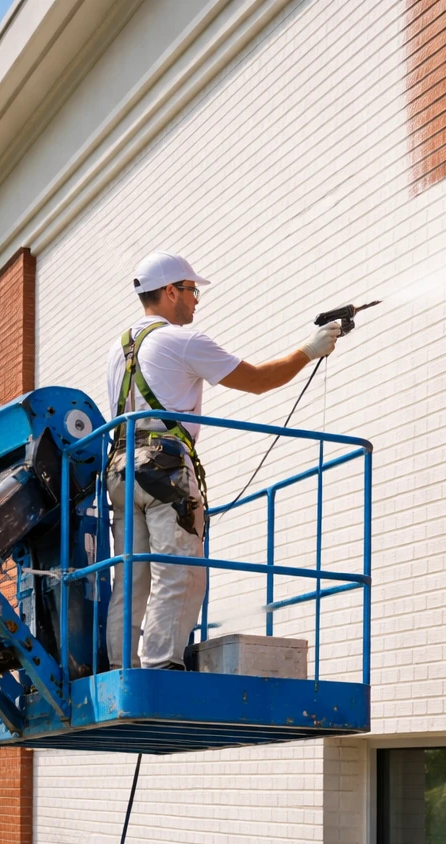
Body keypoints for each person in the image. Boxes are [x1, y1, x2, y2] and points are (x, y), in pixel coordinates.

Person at [105, 250, 342, 670]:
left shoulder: (118, 350)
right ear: (171, 290)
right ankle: (161, 668)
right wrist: (310, 349)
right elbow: (257, 380)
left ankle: (123, 668)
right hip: (164, 468)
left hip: (121, 470)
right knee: (180, 571)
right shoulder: (182, 341)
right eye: (192, 290)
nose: (196, 299)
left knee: (131, 577)